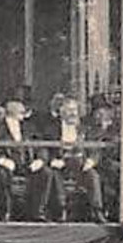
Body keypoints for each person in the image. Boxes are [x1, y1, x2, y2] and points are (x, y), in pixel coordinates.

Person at [41, 94, 105, 223]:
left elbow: (95, 148)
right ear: (61, 111)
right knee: (55, 174)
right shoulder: (51, 129)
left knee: (93, 175)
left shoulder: (86, 128)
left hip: (81, 164)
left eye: (75, 110)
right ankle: (62, 209)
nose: (73, 113)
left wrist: (91, 160)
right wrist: (52, 160)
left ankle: (97, 210)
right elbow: (46, 148)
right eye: (69, 110)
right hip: (62, 163)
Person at [0, 92, 42, 222]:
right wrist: (1, 160)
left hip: (26, 164)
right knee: (2, 175)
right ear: (12, 111)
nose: (24, 112)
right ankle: (5, 212)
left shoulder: (29, 127)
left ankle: (38, 212)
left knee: (46, 173)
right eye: (21, 111)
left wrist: (40, 160)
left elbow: (40, 146)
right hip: (5, 165)